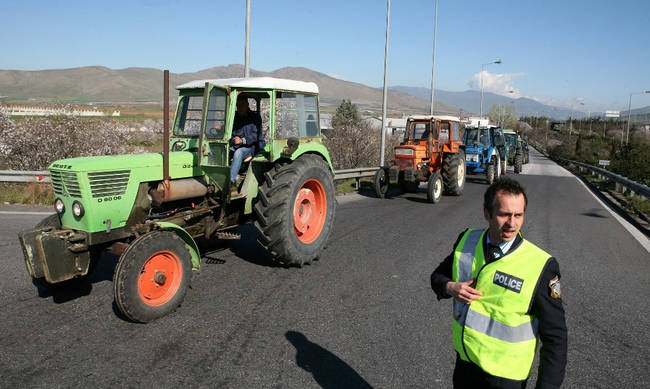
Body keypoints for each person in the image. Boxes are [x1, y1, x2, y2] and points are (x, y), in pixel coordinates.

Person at [430, 177, 567, 389]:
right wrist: (450, 287)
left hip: (505, 379)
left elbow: (555, 338)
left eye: (518, 215)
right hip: (465, 367)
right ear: (487, 213)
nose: (512, 223)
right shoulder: (467, 241)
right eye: (504, 215)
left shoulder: (541, 266)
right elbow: (437, 277)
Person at [230, 95, 262, 185]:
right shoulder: (234, 117)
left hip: (251, 147)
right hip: (235, 145)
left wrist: (242, 140)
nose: (240, 106)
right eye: (238, 104)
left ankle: (230, 181)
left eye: (242, 104)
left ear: (247, 104)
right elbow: (230, 134)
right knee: (221, 151)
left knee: (239, 152)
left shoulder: (255, 117)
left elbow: (256, 136)